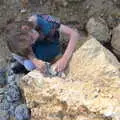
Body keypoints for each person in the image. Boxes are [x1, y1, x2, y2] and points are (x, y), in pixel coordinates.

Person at [6, 14, 80, 74]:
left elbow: (74, 34)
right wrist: (35, 60)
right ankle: (23, 63)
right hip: (37, 43)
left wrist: (64, 59)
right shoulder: (25, 39)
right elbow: (27, 49)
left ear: (26, 28)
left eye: (31, 38)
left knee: (51, 52)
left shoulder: (42, 22)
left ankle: (47, 59)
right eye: (30, 44)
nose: (33, 42)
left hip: (49, 38)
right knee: (29, 65)